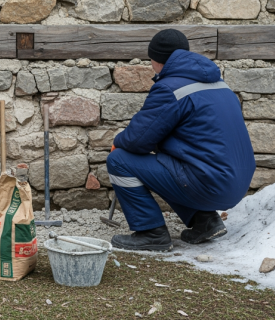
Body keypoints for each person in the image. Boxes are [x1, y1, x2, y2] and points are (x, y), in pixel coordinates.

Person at [107, 29, 255, 251]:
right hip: (238, 183)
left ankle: (151, 233)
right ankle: (205, 221)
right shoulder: (218, 82)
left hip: (211, 184)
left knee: (119, 160)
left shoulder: (170, 88)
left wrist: (118, 142)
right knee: (173, 162)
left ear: (156, 60)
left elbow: (138, 140)